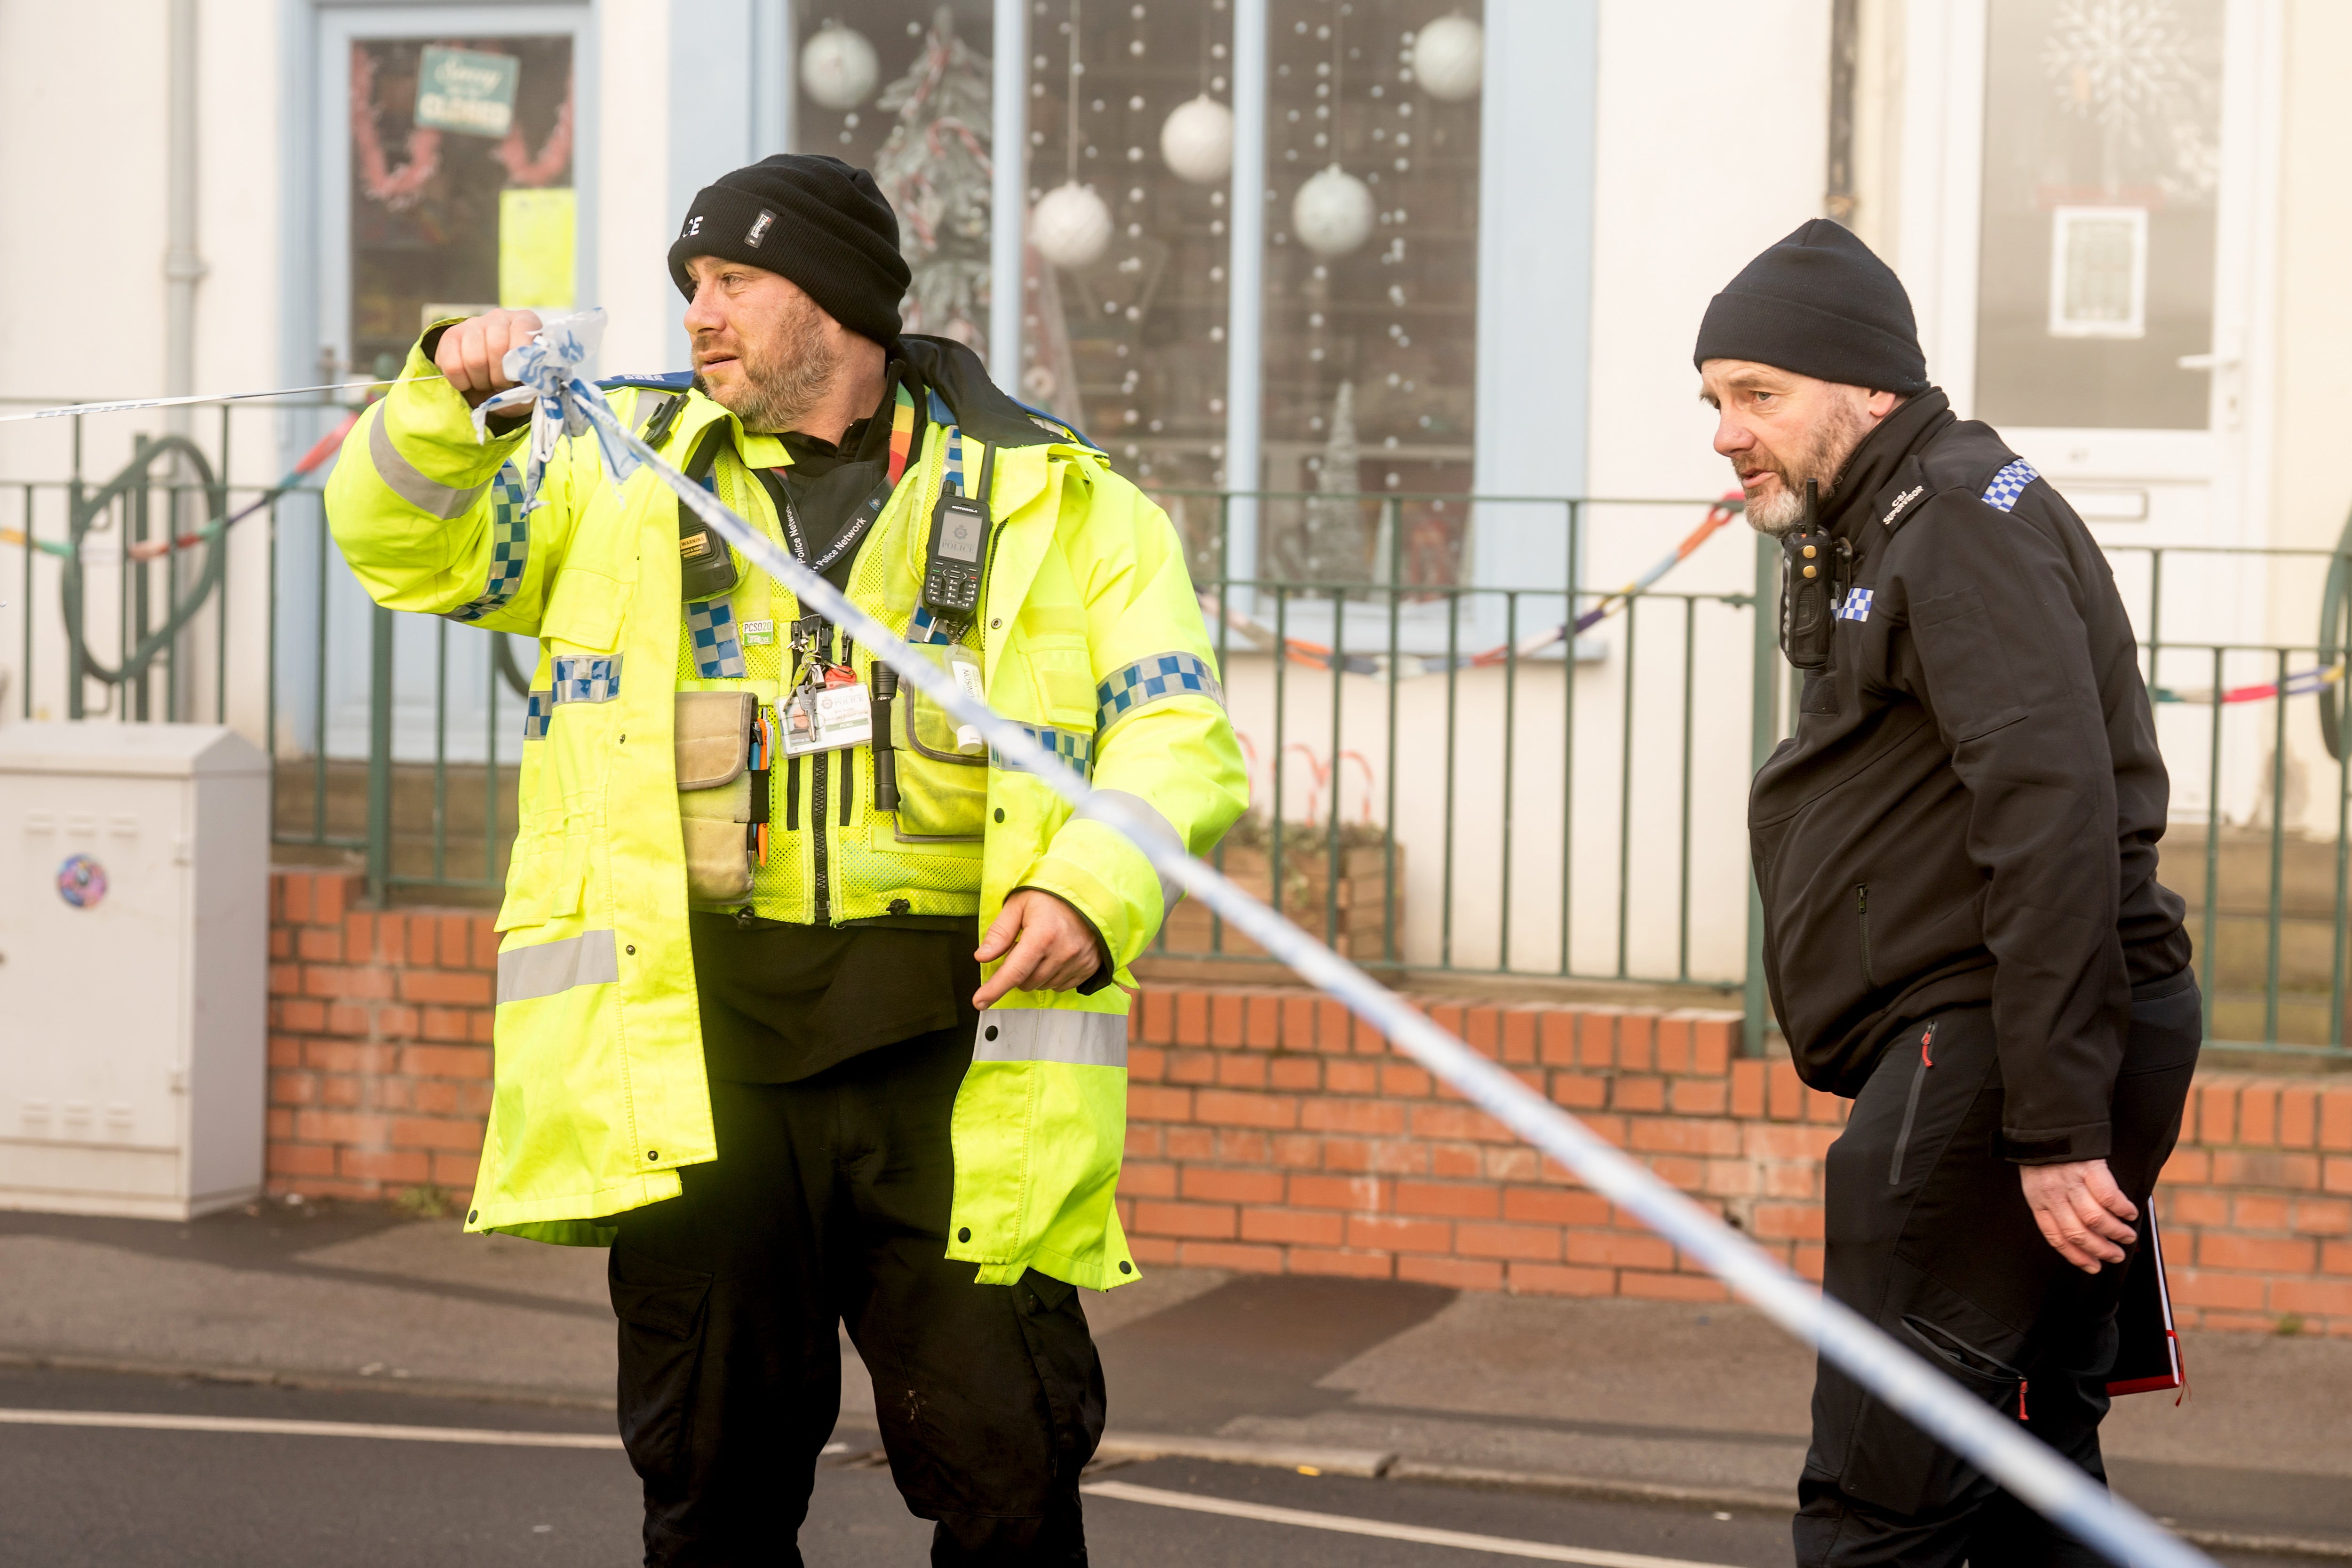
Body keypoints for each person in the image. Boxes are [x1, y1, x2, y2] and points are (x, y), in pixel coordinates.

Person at [326, 153, 1247, 1566]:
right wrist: (445, 401)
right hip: (700, 1064)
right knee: (711, 1491)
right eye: (691, 285)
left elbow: (1175, 735)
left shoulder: (1067, 504)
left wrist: (1088, 885)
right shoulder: (610, 485)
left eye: (734, 281)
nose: (700, 313)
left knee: (1008, 1480)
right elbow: (408, 545)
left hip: (958, 1057)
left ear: (837, 301)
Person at [1695, 220, 2201, 1565]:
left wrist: (2049, 1122)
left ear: (1867, 387)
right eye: (1714, 400)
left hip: (1990, 1048)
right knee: (2036, 1474)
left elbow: (2051, 818)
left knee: (1884, 1503)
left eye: (1758, 394)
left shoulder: (1955, 526)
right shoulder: (1899, 518)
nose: (1726, 432)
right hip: (2001, 1044)